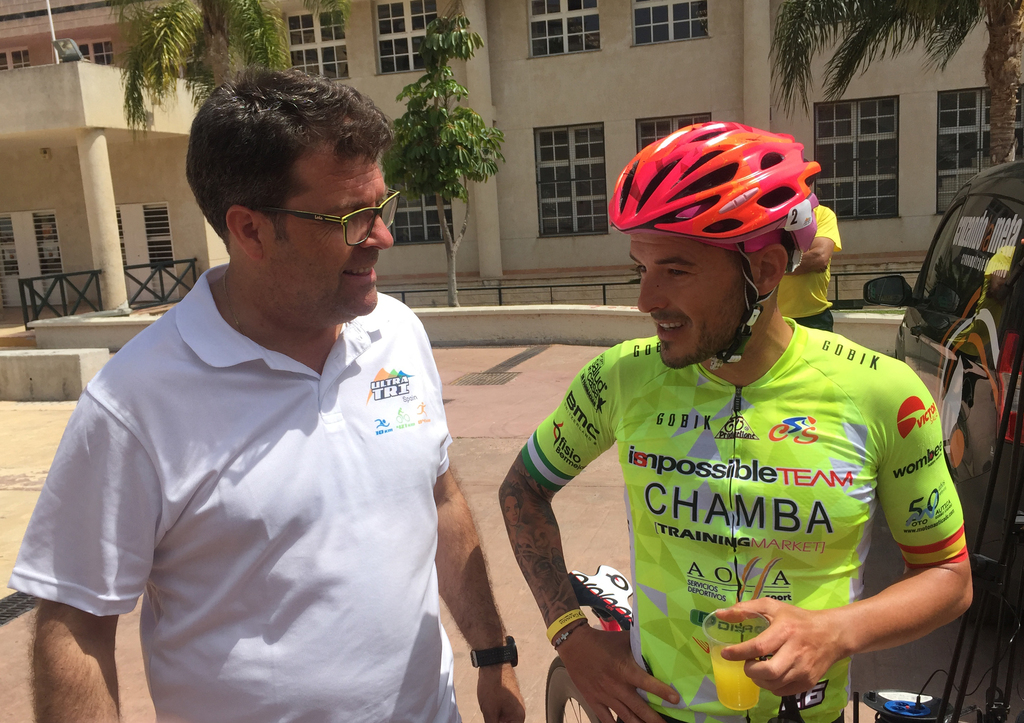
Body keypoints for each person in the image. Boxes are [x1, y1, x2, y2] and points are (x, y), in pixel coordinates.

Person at [11, 68, 524, 723]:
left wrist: (493, 653)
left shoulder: (397, 333)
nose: (382, 236)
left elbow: (440, 497)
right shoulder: (135, 402)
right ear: (250, 230)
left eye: (382, 205)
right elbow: (75, 623)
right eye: (351, 217)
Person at [499, 122, 972, 723]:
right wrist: (569, 634)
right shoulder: (620, 377)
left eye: (675, 271)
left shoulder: (882, 392)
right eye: (640, 269)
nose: (646, 300)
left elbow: (948, 576)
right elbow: (522, 490)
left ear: (766, 271)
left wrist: (838, 631)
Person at [776, 204, 841, 331]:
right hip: (771, 317)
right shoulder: (766, 217)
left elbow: (819, 257)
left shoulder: (822, 213)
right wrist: (805, 262)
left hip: (814, 318)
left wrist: (770, 267)